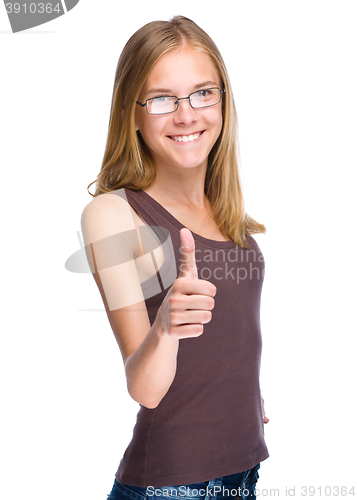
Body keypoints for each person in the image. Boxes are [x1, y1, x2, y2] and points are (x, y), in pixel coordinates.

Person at [81, 15, 269, 500]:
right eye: (162, 99)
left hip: (244, 473)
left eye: (203, 93)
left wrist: (240, 396)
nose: (187, 115)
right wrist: (166, 323)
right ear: (133, 112)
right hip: (171, 487)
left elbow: (229, 336)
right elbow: (144, 388)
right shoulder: (114, 216)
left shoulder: (224, 210)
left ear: (223, 101)